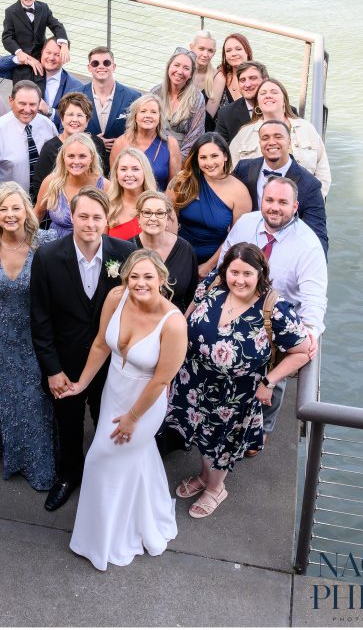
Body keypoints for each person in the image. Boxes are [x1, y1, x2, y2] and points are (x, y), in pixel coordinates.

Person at [164, 243, 311, 517]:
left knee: (222, 443)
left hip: (234, 395)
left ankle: (215, 488)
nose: (239, 280)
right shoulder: (213, 284)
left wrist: (269, 382)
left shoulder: (274, 308)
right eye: (234, 272)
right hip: (193, 381)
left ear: (260, 274)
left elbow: (301, 352)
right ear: (225, 270)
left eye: (247, 274)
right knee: (202, 435)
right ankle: (204, 476)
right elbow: (185, 318)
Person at [63, 250, 187, 571]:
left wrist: (132, 418)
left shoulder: (173, 324)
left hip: (144, 403)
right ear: (125, 278)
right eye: (134, 276)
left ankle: (104, 539)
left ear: (162, 279)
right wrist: (80, 384)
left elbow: (161, 380)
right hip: (113, 392)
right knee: (131, 460)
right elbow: (102, 345)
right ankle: (139, 518)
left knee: (100, 458)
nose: (140, 283)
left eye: (148, 277)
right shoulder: (116, 297)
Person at [30, 187, 135, 511]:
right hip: (66, 362)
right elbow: (40, 319)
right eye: (83, 216)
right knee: (68, 423)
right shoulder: (47, 257)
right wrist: (52, 370)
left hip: (113, 362)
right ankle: (69, 474)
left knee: (107, 421)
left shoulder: (125, 251)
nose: (90, 223)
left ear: (107, 219)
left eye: (97, 217)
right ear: (72, 216)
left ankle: (105, 478)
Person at [215, 176, 327, 448]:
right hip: (237, 306)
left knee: (272, 382)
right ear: (261, 200)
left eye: (282, 202)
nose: (274, 207)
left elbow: (314, 297)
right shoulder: (246, 223)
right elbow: (224, 261)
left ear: (295, 206)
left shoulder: (308, 245)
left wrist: (309, 333)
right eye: (269, 200)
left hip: (275, 322)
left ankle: (261, 429)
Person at [0, 182, 58, 491]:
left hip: (37, 335)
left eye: (16, 208)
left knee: (35, 398)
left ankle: (38, 465)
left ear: (27, 211)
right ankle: (9, 452)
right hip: (1, 333)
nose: (10, 214)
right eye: (3, 209)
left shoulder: (46, 241)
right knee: (8, 396)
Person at [232, 119, 329, 256]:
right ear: (260, 143)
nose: (271, 142)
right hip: (244, 251)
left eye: (278, 137)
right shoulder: (243, 169)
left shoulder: (310, 185)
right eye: (265, 138)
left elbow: (318, 237)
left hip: (286, 253)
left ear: (289, 142)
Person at [167, 132, 251, 278]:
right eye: (203, 157)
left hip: (215, 262)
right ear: (196, 160)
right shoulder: (183, 180)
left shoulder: (240, 192)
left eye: (214, 156)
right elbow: (166, 218)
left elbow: (237, 237)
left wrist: (208, 266)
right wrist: (171, 254)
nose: (209, 163)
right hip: (178, 254)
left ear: (225, 156)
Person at [229, 78, 331, 196]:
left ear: (284, 101)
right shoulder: (244, 134)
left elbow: (323, 172)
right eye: (263, 93)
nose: (268, 96)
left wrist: (312, 202)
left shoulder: (306, 128)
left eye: (274, 92)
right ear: (258, 103)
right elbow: (231, 172)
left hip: (302, 205)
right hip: (257, 207)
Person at [0, 0, 70, 89]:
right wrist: (19, 52)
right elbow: (7, 37)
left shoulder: (43, 8)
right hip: (23, 58)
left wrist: (64, 44)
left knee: (43, 85)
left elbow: (57, 26)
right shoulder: (10, 12)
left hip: (40, 56)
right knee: (22, 88)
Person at [0, 80, 58, 198]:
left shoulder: (48, 126)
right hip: (11, 204)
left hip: (46, 200)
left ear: (40, 103)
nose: (27, 110)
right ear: (11, 101)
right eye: (22, 104)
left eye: (32, 104)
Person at [130, 190, 199, 313]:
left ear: (168, 219)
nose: (153, 218)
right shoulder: (127, 248)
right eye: (147, 212)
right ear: (138, 218)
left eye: (160, 213)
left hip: (176, 319)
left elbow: (191, 295)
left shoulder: (185, 249)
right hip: (137, 317)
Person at [31, 91, 107, 202]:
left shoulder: (97, 144)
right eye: (70, 115)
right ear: (62, 119)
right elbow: (39, 189)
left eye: (80, 115)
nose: (74, 120)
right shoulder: (50, 148)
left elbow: (103, 176)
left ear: (87, 121)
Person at [35, 132, 109, 237]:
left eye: (82, 156)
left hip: (90, 247)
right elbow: (37, 213)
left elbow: (108, 225)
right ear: (63, 157)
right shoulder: (51, 182)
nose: (76, 161)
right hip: (55, 247)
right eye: (71, 156)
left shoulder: (105, 186)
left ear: (91, 158)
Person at [80, 47, 141, 171]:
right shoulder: (76, 95)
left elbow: (140, 131)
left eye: (106, 63)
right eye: (95, 63)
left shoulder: (133, 97)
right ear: (89, 67)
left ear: (114, 66)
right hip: (87, 165)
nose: (101, 66)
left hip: (122, 164)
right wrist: (94, 141)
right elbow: (65, 129)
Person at [109, 94, 182, 191]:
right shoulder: (120, 143)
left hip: (158, 203)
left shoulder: (171, 144)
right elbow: (114, 182)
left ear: (160, 117)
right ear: (135, 116)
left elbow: (174, 186)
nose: (148, 116)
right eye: (143, 111)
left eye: (153, 112)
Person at [149, 48, 206, 158]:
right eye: (176, 65)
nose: (180, 71)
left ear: (190, 74)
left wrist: (177, 163)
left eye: (186, 68)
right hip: (152, 150)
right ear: (169, 67)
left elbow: (194, 137)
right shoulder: (155, 92)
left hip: (180, 157)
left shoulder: (197, 98)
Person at [107, 147, 157, 240]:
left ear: (145, 172)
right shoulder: (107, 206)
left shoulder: (161, 206)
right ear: (116, 174)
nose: (129, 174)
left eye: (135, 169)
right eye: (123, 169)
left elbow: (170, 246)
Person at [214, 61, 269, 143]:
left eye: (252, 78)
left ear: (265, 80)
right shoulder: (226, 114)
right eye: (242, 80)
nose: (247, 85)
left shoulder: (285, 110)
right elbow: (219, 149)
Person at [36, 38, 84, 130]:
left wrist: (49, 111)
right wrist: (23, 57)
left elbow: (77, 119)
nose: (51, 58)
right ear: (42, 52)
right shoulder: (28, 75)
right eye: (48, 53)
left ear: (65, 57)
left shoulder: (76, 86)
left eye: (57, 55)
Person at [189, 30, 221, 130]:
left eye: (210, 51)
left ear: (214, 52)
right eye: (201, 49)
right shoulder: (182, 70)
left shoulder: (218, 77)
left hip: (202, 128)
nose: (205, 54)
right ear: (191, 47)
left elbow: (208, 118)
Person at [212, 33, 254, 110]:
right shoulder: (220, 77)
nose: (233, 54)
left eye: (238, 49)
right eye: (228, 51)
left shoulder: (259, 79)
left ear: (247, 51)